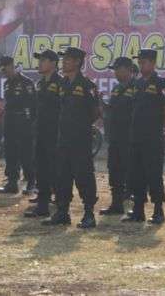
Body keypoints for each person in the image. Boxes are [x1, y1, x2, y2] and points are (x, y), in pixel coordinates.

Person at [44, 46, 100, 229]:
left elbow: (95, 112)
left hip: (81, 140)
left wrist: (81, 126)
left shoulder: (87, 85)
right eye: (64, 59)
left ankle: (89, 214)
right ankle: (62, 212)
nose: (64, 62)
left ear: (77, 62)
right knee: (62, 176)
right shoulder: (62, 84)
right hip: (63, 138)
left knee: (84, 176)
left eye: (68, 59)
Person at [125, 48, 165, 225]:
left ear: (153, 63)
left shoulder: (160, 83)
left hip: (152, 137)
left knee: (153, 173)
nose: (141, 64)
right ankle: (138, 210)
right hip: (136, 136)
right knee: (136, 173)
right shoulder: (136, 84)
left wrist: (156, 125)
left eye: (144, 62)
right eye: (139, 62)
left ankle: (158, 210)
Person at [23, 49, 62, 219]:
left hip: (55, 133)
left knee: (57, 169)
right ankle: (43, 204)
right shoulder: (40, 84)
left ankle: (61, 205)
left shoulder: (61, 82)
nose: (39, 63)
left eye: (43, 60)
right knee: (41, 168)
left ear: (53, 63)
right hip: (40, 132)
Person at [101, 56, 135, 216]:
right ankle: (116, 204)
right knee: (114, 170)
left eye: (117, 69)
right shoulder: (116, 88)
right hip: (115, 137)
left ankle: (135, 205)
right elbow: (110, 110)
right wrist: (101, 102)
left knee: (131, 170)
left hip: (129, 137)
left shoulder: (137, 87)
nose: (115, 73)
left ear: (127, 69)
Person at [0, 55, 36, 195]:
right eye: (1, 68)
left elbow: (33, 104)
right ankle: (12, 183)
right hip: (10, 121)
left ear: (11, 65)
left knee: (26, 153)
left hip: (23, 122)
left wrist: (30, 123)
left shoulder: (26, 82)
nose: (3, 71)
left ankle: (31, 182)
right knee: (10, 152)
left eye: (5, 67)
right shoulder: (7, 83)